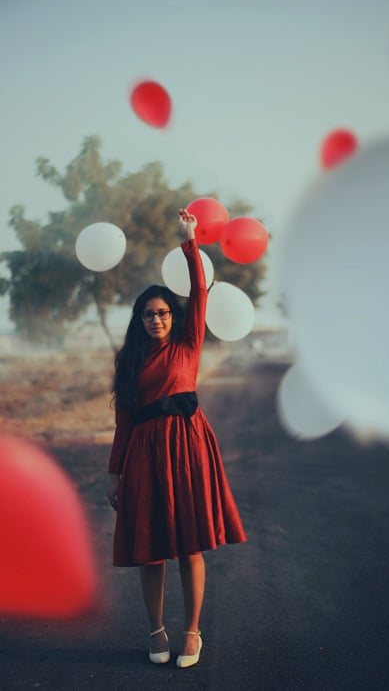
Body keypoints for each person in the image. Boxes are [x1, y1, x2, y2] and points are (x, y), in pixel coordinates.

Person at [106, 209, 247, 669]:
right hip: (145, 453)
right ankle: (156, 629)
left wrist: (190, 243)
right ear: (139, 319)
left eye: (163, 312)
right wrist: (115, 472)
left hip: (189, 448)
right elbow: (124, 423)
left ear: (174, 315)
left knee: (189, 545)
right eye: (148, 314)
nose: (156, 319)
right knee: (150, 549)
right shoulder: (129, 364)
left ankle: (191, 631)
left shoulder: (188, 343)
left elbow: (199, 294)